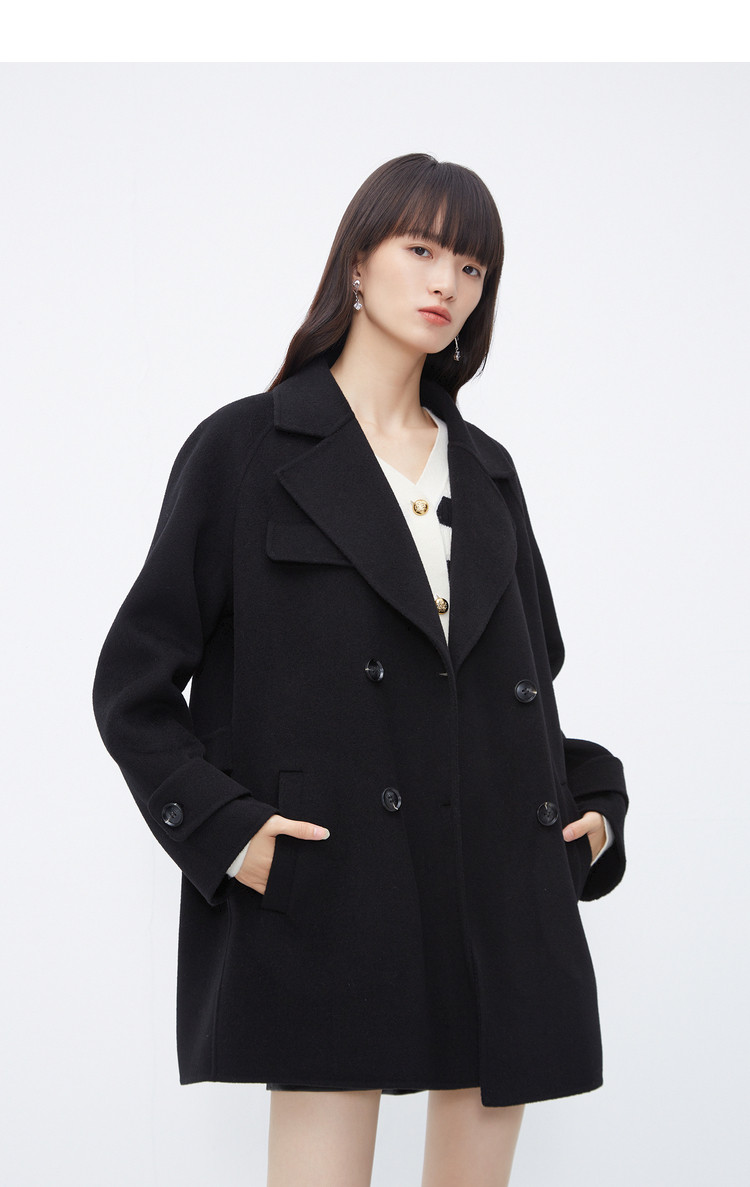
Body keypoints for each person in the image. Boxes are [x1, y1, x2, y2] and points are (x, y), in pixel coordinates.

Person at [92, 153, 628, 1187]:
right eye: (421, 249)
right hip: (334, 886)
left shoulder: (488, 470)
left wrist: (595, 807)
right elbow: (132, 686)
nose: (446, 283)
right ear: (356, 263)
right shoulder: (247, 448)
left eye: (471, 266)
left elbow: (528, 683)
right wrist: (228, 831)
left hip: (499, 888)